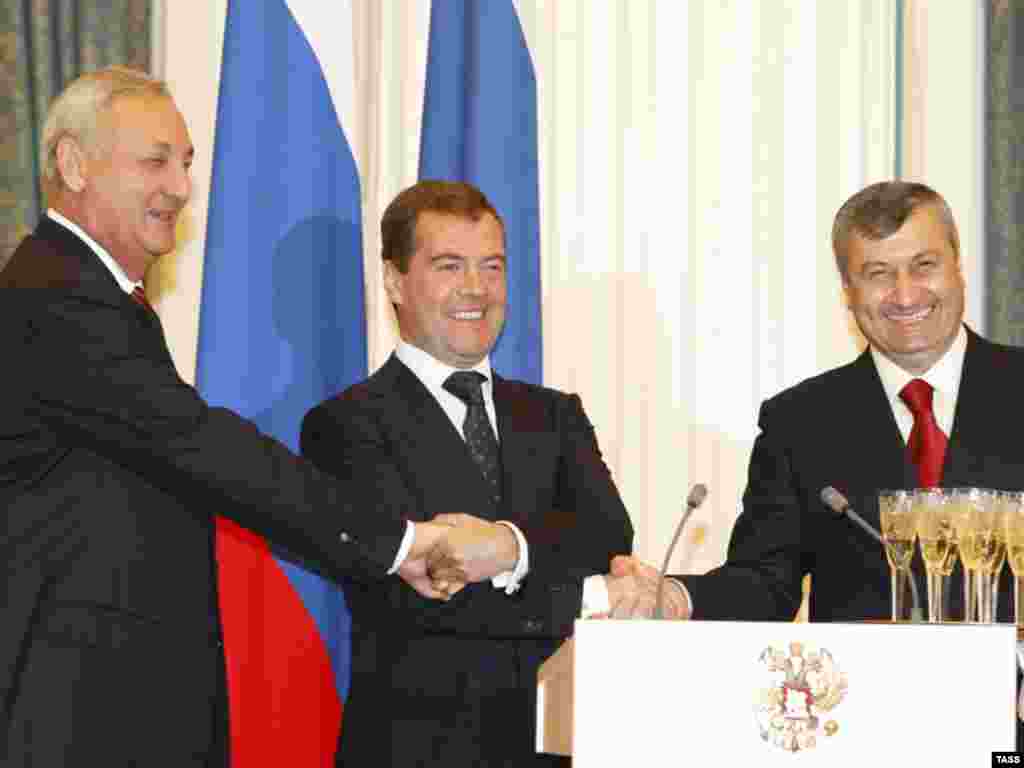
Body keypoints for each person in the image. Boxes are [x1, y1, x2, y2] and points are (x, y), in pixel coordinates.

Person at [0, 67, 511, 766]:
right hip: (77, 710)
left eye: (185, 164)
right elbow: (200, 443)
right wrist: (399, 543)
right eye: (155, 162)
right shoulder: (55, 297)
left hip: (118, 703)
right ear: (72, 163)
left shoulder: (98, 298)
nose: (181, 188)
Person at [300, 180, 685, 767]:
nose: (476, 289)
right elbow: (414, 594)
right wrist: (594, 593)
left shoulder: (554, 414)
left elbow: (607, 536)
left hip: (559, 746)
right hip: (417, 752)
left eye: (492, 266)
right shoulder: (345, 426)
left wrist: (509, 548)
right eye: (449, 266)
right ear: (394, 280)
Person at [615, 180, 1024, 626]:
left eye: (924, 266)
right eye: (878, 274)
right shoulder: (799, 422)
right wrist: (677, 595)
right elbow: (764, 581)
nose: (905, 295)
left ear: (957, 269)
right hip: (869, 692)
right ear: (848, 291)